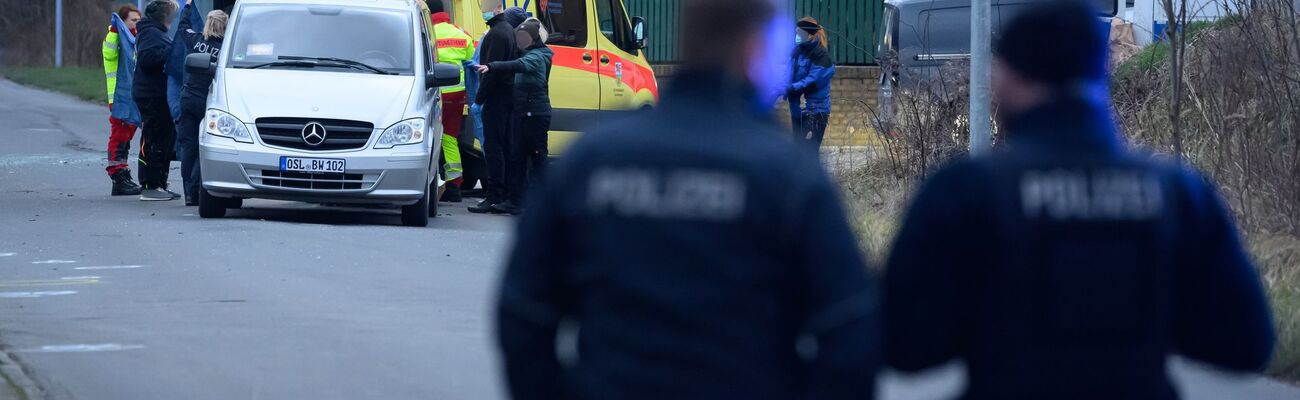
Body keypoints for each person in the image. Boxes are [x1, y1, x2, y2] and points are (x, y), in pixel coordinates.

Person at [883, 1, 1276, 399]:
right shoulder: (1180, 194)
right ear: (1103, 72)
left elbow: (904, 345)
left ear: (1003, 78)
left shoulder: (963, 193)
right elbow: (1246, 344)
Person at [494, 0, 880, 398]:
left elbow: (524, 313)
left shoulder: (591, 162)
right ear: (756, 48)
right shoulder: (791, 180)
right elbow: (850, 334)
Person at [477, 18, 552, 211]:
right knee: (517, 157)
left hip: (535, 114)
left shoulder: (537, 57)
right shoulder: (531, 52)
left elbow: (517, 65)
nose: (521, 40)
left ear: (535, 38)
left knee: (537, 158)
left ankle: (545, 202)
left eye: (525, 37)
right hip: (524, 113)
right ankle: (515, 201)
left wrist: (492, 66)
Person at [468, 0, 520, 214]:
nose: (484, 11)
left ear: (499, 8)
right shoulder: (507, 30)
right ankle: (504, 193)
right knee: (505, 146)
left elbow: (489, 72)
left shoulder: (496, 34)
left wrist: (479, 100)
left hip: (496, 98)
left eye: (488, 8)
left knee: (493, 148)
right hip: (507, 97)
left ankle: (494, 195)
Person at [176, 4, 225, 206]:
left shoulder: (195, 40)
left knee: (188, 147)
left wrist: (187, 6)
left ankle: (188, 191)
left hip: (187, 99)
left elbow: (182, 27)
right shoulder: (225, 50)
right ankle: (196, 190)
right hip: (207, 103)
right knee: (203, 148)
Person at [428, 0, 475, 203]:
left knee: (427, 138)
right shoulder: (462, 34)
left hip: (433, 91)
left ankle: (430, 182)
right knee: (449, 137)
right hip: (456, 94)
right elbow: (472, 62)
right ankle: (455, 185)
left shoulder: (427, 33)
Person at [133, 0, 180, 202]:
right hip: (151, 95)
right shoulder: (151, 33)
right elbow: (147, 58)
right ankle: (149, 184)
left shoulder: (157, 32)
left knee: (165, 140)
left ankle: (159, 182)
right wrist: (171, 52)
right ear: (164, 16)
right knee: (153, 140)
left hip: (159, 95)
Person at [103, 4, 143, 196]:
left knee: (127, 136)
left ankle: (123, 174)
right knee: (119, 136)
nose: (137, 24)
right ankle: (117, 177)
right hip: (119, 97)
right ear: (123, 22)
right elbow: (109, 54)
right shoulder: (116, 37)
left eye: (139, 20)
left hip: (132, 97)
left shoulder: (136, 40)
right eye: (133, 21)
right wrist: (114, 31)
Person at [787, 17, 833, 153]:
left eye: (799, 33)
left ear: (810, 34)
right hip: (797, 110)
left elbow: (813, 80)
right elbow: (787, 73)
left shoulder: (821, 56)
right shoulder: (797, 52)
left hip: (815, 111)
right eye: (796, 33)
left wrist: (791, 88)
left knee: (808, 153)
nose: (797, 36)